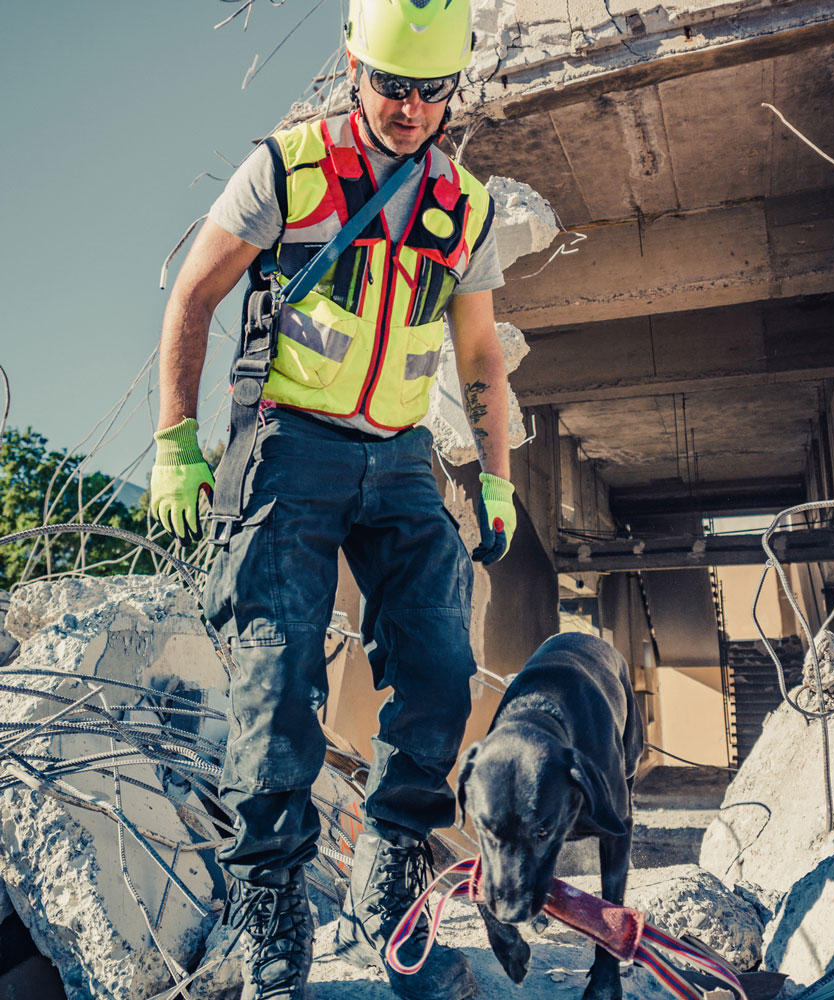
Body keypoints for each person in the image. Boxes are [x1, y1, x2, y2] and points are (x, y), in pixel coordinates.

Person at [150, 0, 514, 996]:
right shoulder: (287, 168)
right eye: (391, 85)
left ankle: (391, 867)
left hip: (398, 454)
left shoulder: (464, 205)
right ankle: (269, 912)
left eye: (428, 90)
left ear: (452, 87)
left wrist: (492, 475)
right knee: (276, 683)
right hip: (288, 444)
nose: (407, 108)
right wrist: (176, 442)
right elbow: (194, 293)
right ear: (354, 66)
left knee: (441, 664)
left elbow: (479, 349)